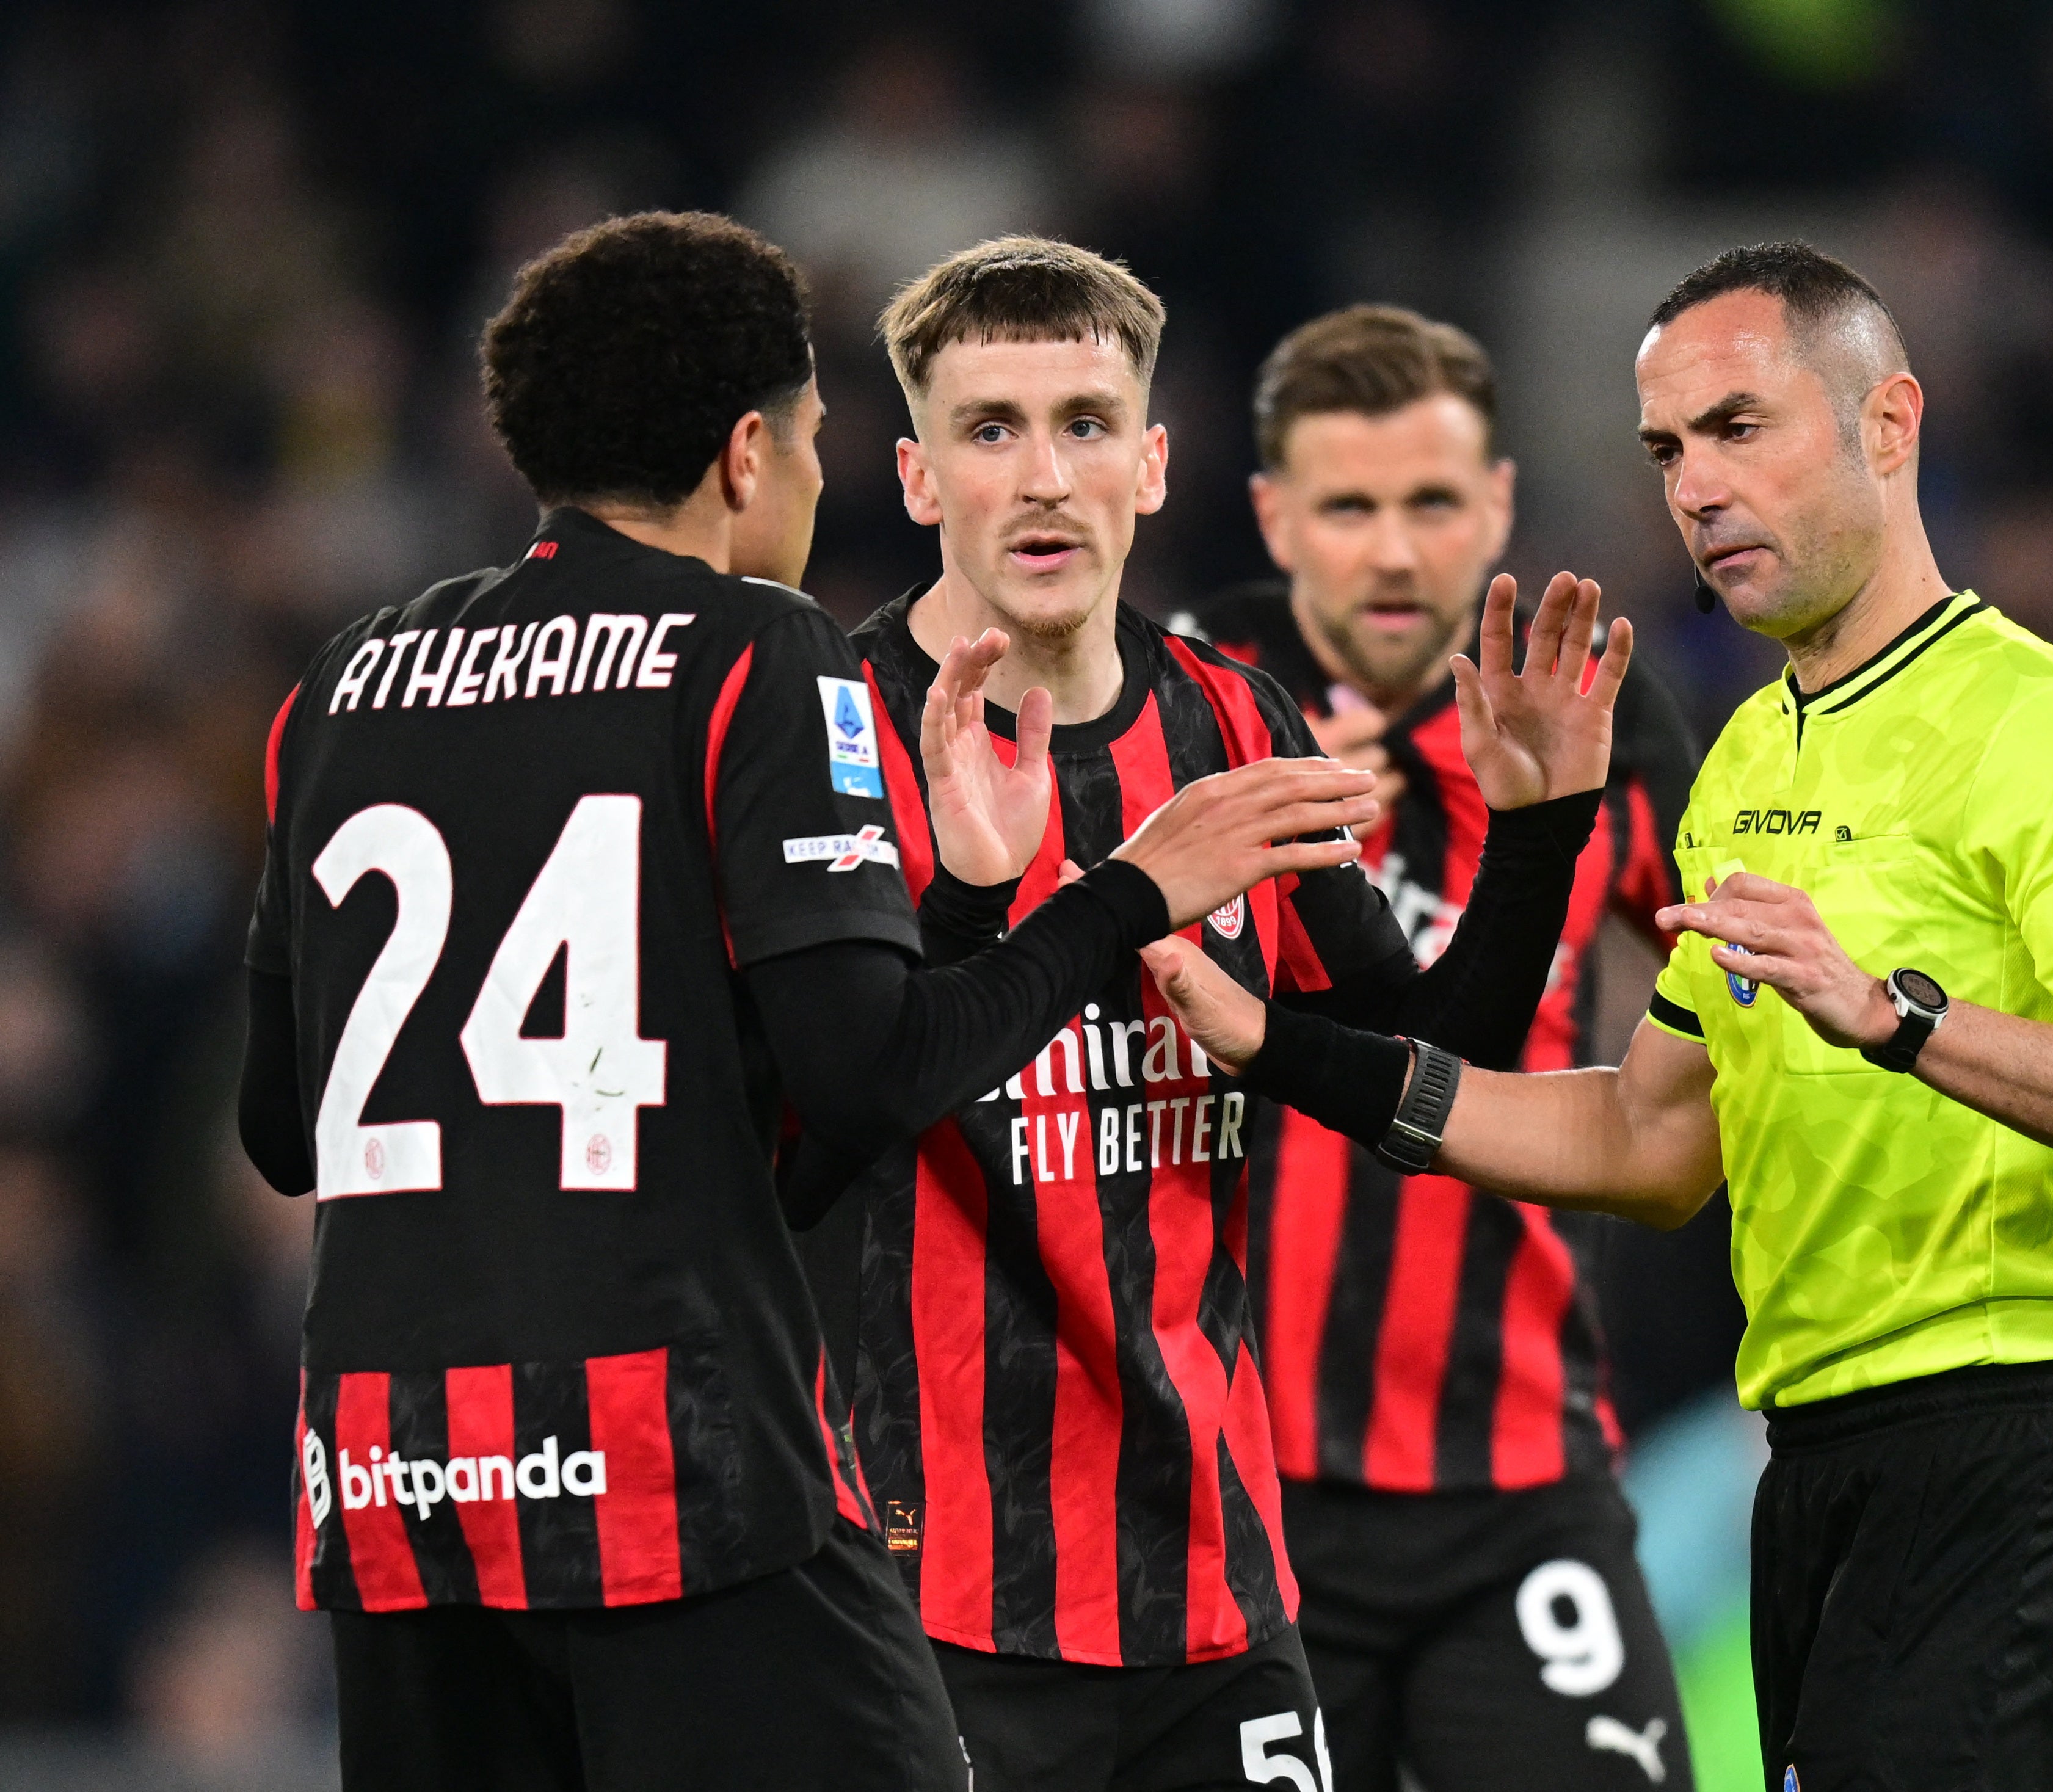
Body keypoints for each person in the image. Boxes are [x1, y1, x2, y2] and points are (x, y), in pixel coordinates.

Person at [234, 211, 1378, 1792]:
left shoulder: (348, 679)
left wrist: (957, 911)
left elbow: (283, 1128)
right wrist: (1121, 896)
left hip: (388, 1473)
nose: (825, 479)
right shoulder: (757, 650)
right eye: (825, 440)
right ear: (746, 453)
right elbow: (867, 1081)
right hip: (669, 1463)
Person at [1138, 241, 2053, 1792]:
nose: (1695, 488)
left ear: (1889, 424)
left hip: (2011, 1447)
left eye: (1742, 428)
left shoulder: (2045, 725)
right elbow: (1652, 1135)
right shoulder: (1746, 759)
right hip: (1811, 1461)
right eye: (1668, 449)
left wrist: (1896, 1019)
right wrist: (1289, 1055)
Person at [810, 236, 1629, 1792]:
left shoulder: (1231, 720)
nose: (1045, 477)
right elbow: (832, 1108)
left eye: (1086, 423)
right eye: (991, 431)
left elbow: (1417, 1066)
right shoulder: (829, 737)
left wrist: (1534, 828)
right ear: (917, 478)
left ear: (1157, 462)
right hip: (933, 1589)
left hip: (1210, 1575)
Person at [1171, 304, 1696, 1792]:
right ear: (1274, 512)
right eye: (1348, 507)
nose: (1394, 554)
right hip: (1233, 1490)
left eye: (1432, 504)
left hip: (1519, 1475)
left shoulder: (1605, 716)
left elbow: (1730, 1003)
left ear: (1501, 505)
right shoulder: (1187, 701)